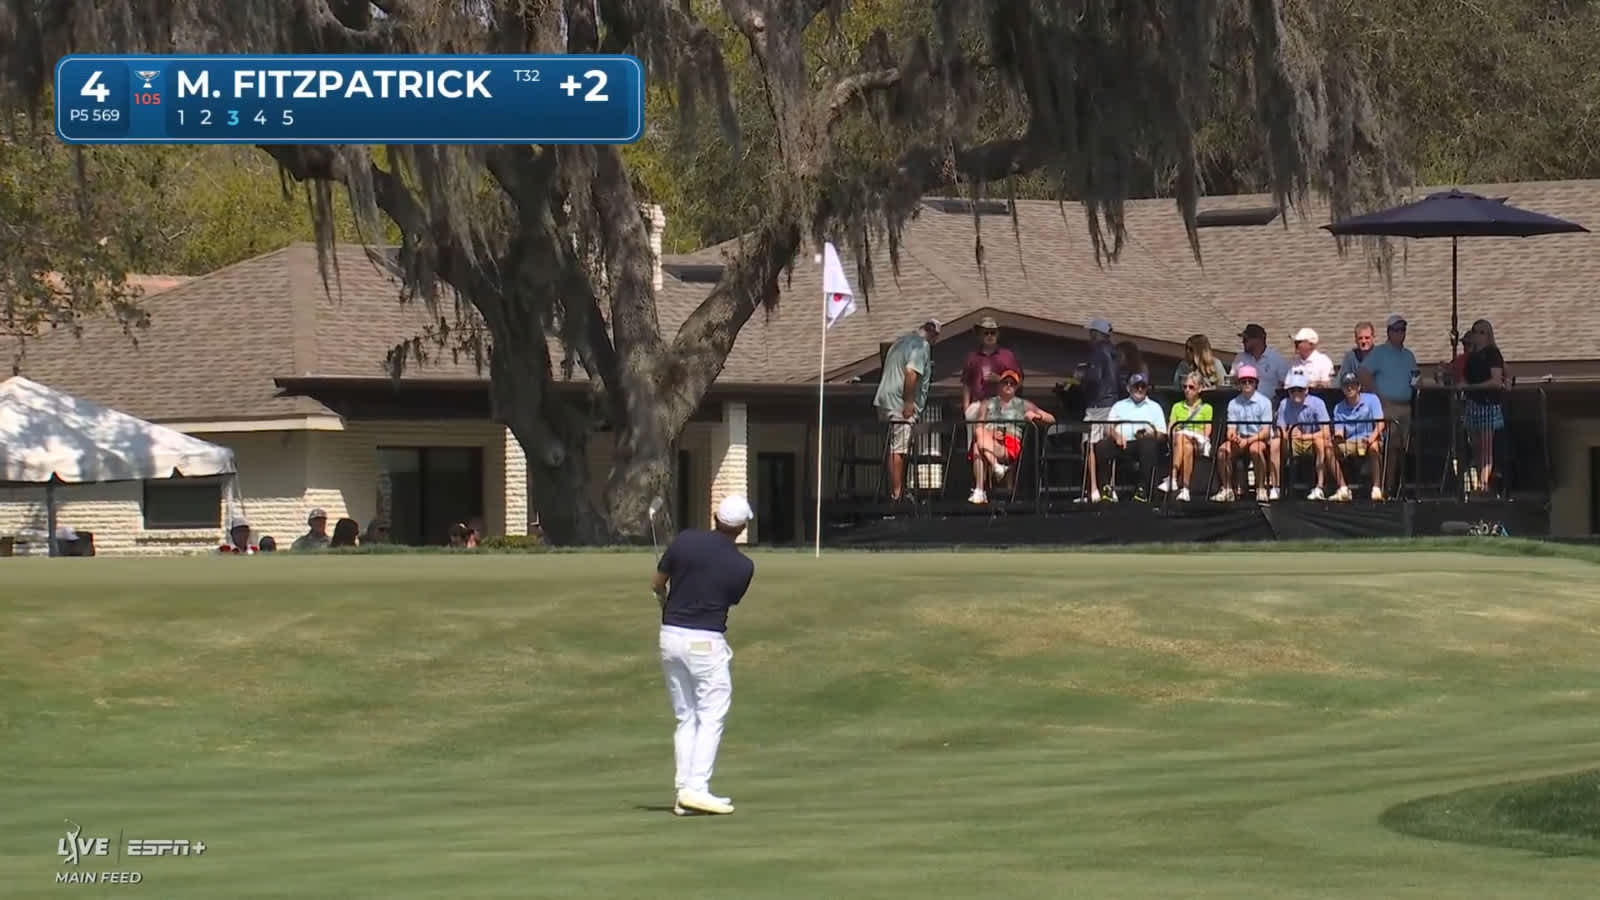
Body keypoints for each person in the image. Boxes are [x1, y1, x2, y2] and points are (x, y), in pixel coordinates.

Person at [651, 494, 757, 817]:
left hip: (670, 638)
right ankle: (697, 788)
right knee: (711, 713)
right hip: (705, 641)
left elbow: (658, 582)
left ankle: (685, 790)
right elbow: (727, 598)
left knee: (687, 716)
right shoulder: (743, 566)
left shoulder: (684, 541)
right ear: (741, 528)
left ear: (715, 517)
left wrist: (662, 596)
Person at [873, 318, 941, 501]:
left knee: (894, 447)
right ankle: (897, 495)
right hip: (899, 404)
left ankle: (896, 491)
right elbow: (911, 373)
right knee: (899, 450)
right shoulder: (921, 346)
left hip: (884, 400)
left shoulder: (900, 342)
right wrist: (909, 403)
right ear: (933, 334)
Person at [968, 369, 1055, 504]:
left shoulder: (1023, 404)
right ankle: (994, 468)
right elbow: (978, 425)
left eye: (1012, 383)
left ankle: (980, 489)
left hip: (1009, 442)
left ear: (1016, 387)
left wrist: (1037, 416)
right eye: (1005, 382)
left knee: (977, 446)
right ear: (999, 385)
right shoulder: (987, 403)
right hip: (989, 438)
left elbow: (1052, 419)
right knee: (978, 437)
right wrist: (991, 433)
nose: (1008, 385)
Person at [1091, 373, 1166, 502]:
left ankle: (1143, 489)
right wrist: (1116, 435)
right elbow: (1109, 428)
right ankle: (1106, 487)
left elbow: (1163, 435)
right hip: (1122, 442)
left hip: (1143, 442)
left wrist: (1150, 434)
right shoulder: (1119, 405)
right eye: (1136, 386)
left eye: (1143, 386)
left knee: (1148, 444)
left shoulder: (1155, 407)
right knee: (1102, 445)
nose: (1140, 389)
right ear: (1128, 388)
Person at [1214, 365, 1274, 502]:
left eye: (1250, 381)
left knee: (1255, 449)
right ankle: (1227, 489)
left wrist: (1248, 441)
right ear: (1239, 384)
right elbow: (1231, 428)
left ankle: (1261, 489)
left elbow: (1265, 432)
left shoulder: (1265, 402)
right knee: (1223, 451)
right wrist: (1233, 437)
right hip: (1240, 440)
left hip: (1259, 439)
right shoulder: (1233, 403)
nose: (1247, 384)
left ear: (1256, 383)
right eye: (1244, 381)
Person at [1164, 373, 1214, 501]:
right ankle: (1185, 489)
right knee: (1184, 443)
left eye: (1191, 387)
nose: (1187, 390)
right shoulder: (1176, 406)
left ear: (1200, 389)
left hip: (1199, 441)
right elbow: (1171, 428)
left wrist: (1192, 435)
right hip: (1180, 441)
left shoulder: (1207, 408)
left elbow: (1207, 431)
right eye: (1185, 387)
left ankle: (1173, 478)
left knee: (1184, 439)